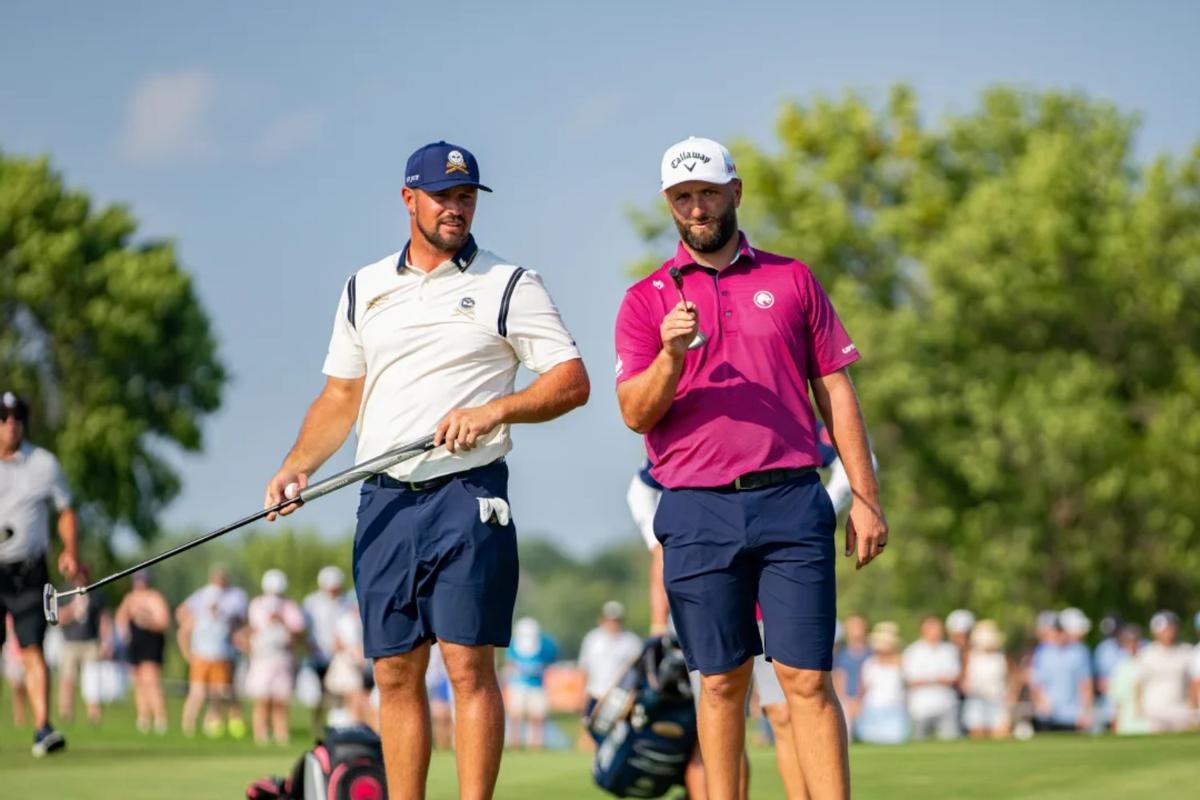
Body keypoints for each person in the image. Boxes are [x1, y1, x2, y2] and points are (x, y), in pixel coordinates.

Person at [263, 140, 588, 799]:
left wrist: (497, 410)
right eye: (443, 196)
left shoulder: (508, 284)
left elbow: (571, 380)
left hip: (467, 494)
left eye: (466, 197)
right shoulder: (365, 287)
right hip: (383, 500)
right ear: (408, 199)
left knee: (468, 666)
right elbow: (339, 398)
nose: (456, 208)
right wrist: (297, 465)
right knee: (393, 674)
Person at [615, 136, 887, 800]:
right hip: (696, 507)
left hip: (791, 500)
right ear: (669, 207)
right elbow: (634, 413)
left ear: (735, 192)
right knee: (721, 679)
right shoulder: (646, 300)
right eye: (683, 198)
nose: (697, 207)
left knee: (805, 679)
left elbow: (837, 390)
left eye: (708, 192)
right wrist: (671, 358)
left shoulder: (791, 278)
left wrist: (867, 498)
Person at [0, 390, 81, 757]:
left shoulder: (43, 463)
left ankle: (42, 729)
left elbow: (65, 511)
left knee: (32, 648)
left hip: (30, 571)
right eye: (4, 417)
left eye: (17, 417)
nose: (11, 424)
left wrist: (70, 551)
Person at [177, 566, 248, 738]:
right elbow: (182, 634)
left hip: (221, 658)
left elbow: (236, 635)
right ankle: (188, 726)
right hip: (201, 658)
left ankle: (212, 724)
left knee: (219, 694)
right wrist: (188, 655)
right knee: (198, 693)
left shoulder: (225, 618)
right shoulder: (199, 616)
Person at [245, 569, 306, 745]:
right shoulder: (257, 604)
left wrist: (282, 620)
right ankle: (260, 735)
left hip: (283, 656)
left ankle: (281, 735)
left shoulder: (289, 605)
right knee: (261, 698)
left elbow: (298, 629)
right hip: (262, 657)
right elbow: (255, 628)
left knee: (281, 698)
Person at [114, 570, 170, 733]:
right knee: (138, 682)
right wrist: (124, 631)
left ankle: (160, 717)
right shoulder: (130, 598)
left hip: (151, 642)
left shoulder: (155, 597)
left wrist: (147, 620)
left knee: (151, 681)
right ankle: (143, 717)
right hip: (135, 643)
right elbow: (121, 616)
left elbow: (163, 621)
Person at [55, 566, 112, 725]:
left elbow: (103, 619)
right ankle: (65, 713)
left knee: (92, 681)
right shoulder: (64, 592)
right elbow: (58, 619)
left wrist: (106, 641)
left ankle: (94, 714)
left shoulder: (96, 593)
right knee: (67, 680)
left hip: (90, 642)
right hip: (70, 643)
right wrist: (74, 608)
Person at [301, 565, 352, 726]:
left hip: (339, 656)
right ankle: (316, 726)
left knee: (339, 693)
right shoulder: (311, 602)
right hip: (316, 655)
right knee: (316, 695)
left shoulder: (347, 602)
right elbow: (304, 628)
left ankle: (337, 726)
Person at [579, 601, 644, 719]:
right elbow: (584, 669)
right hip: (595, 693)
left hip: (619, 698)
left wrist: (632, 696)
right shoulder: (592, 639)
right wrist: (582, 696)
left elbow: (638, 672)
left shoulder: (631, 642)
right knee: (588, 732)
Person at [1029, 612, 1092, 732]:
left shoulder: (1079, 652)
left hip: (1072, 715)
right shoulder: (1042, 653)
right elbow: (1036, 684)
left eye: (1061, 630)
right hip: (1047, 716)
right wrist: (1041, 701)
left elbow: (1085, 684)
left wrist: (1086, 711)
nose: (1059, 634)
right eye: (1056, 630)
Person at [901, 616, 961, 740]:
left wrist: (928, 679)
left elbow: (953, 677)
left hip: (946, 704)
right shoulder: (913, 651)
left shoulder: (949, 650)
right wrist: (937, 679)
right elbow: (911, 680)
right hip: (920, 707)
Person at [1133, 610, 1193, 732]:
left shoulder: (1187, 651)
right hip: (1155, 711)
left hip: (1180, 711)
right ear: (1155, 631)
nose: (1170, 632)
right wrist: (1138, 708)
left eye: (1172, 627)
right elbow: (1138, 683)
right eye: (1166, 629)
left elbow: (1193, 682)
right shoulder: (1146, 654)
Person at [504, 617, 558, 750]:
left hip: (537, 685)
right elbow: (510, 662)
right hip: (518, 684)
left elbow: (551, 662)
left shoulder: (546, 644)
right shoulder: (513, 644)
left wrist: (540, 669)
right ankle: (514, 746)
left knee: (537, 717)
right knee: (515, 715)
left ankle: (535, 747)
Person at [854, 622, 908, 745]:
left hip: (895, 708)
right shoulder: (870, 663)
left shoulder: (901, 663)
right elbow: (863, 688)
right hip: (873, 707)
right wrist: (858, 704)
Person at [961, 619, 1009, 738]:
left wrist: (1010, 694)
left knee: (1000, 733)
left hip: (996, 699)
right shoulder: (971, 656)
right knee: (977, 733)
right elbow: (964, 678)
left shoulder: (1000, 657)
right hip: (976, 699)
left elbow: (1010, 678)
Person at [832, 615, 871, 735]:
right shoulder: (840, 656)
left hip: (869, 700)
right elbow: (838, 679)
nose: (856, 630)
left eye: (859, 626)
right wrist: (847, 701)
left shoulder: (873, 654)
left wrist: (860, 700)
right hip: (846, 701)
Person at [1108, 624, 1151, 735]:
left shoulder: (1149, 662)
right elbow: (1117, 700)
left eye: (1135, 641)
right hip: (1126, 723)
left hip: (1148, 723)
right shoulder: (1119, 668)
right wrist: (1115, 723)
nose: (1132, 645)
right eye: (1128, 641)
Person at [4, 613, 30, 726]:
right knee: (16, 688)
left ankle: (27, 715)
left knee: (26, 688)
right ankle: (18, 717)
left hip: (26, 654)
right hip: (13, 655)